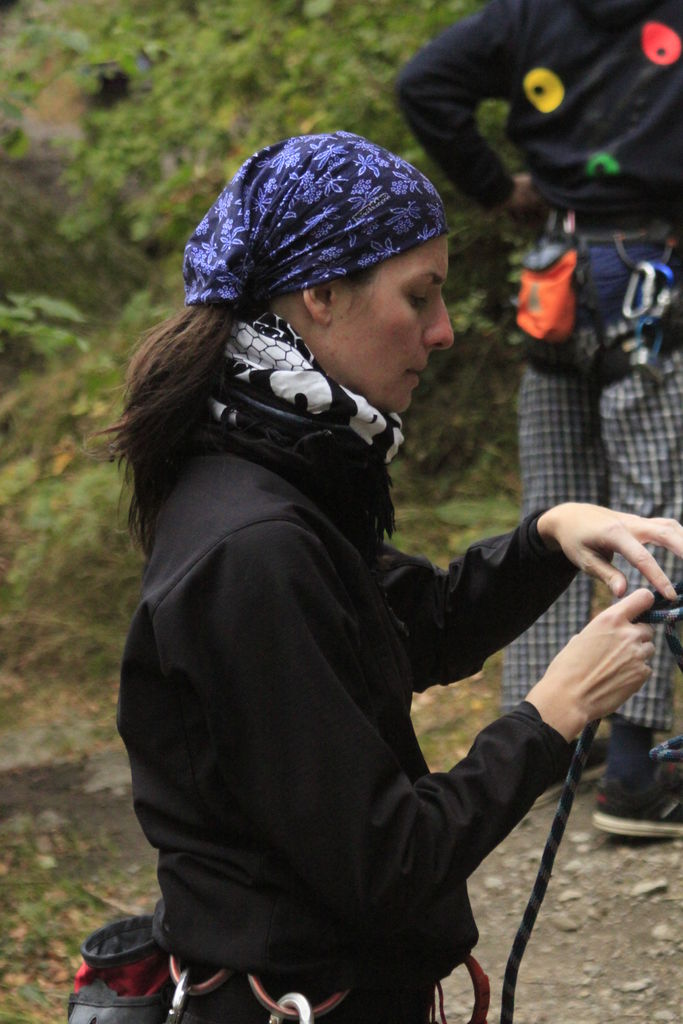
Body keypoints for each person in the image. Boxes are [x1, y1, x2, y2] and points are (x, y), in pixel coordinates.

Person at [108, 131, 683, 1024]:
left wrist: (545, 537)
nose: (444, 331)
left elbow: (403, 629)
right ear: (322, 296)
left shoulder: (263, 467)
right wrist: (552, 715)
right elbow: (388, 861)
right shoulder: (251, 544)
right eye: (419, 297)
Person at [397, 0, 683, 838]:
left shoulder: (530, 13)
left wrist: (496, 186)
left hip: (550, 272)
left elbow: (426, 83)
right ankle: (634, 771)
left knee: (558, 508)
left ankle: (550, 737)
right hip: (652, 271)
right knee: (650, 506)